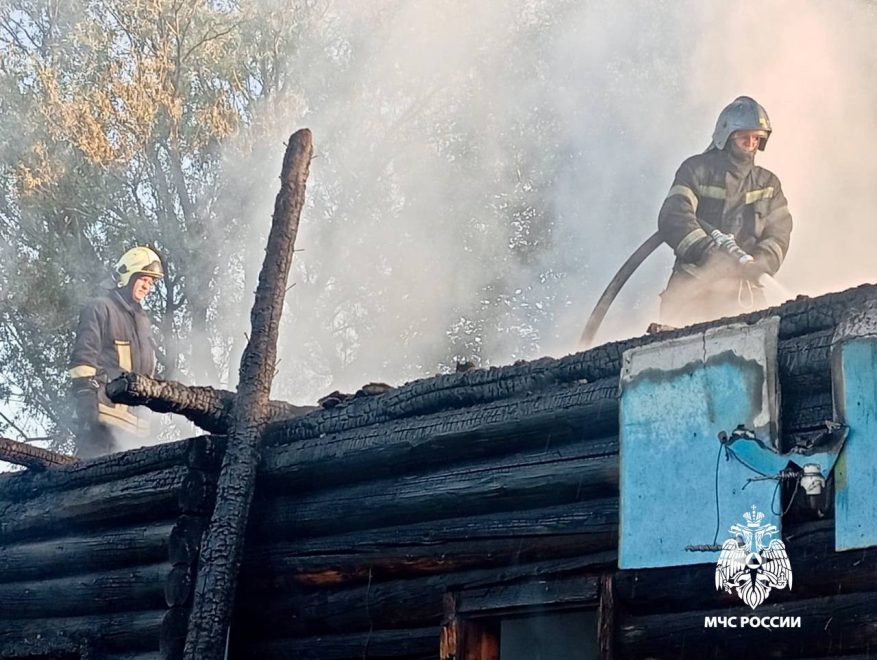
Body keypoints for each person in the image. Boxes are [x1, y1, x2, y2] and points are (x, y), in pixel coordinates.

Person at [657, 96, 793, 327]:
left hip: (743, 298)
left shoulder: (768, 184)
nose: (751, 143)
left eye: (756, 138)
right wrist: (708, 253)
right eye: (744, 137)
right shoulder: (696, 170)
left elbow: (779, 233)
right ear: (726, 137)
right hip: (692, 293)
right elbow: (674, 217)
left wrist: (761, 264)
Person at [68, 246, 163, 457]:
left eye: (151, 283)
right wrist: (86, 400)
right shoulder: (100, 308)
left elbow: (148, 371)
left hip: (136, 433)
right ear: (127, 276)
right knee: (93, 476)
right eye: (143, 279)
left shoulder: (143, 322)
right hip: (102, 423)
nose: (147, 287)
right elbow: (83, 358)